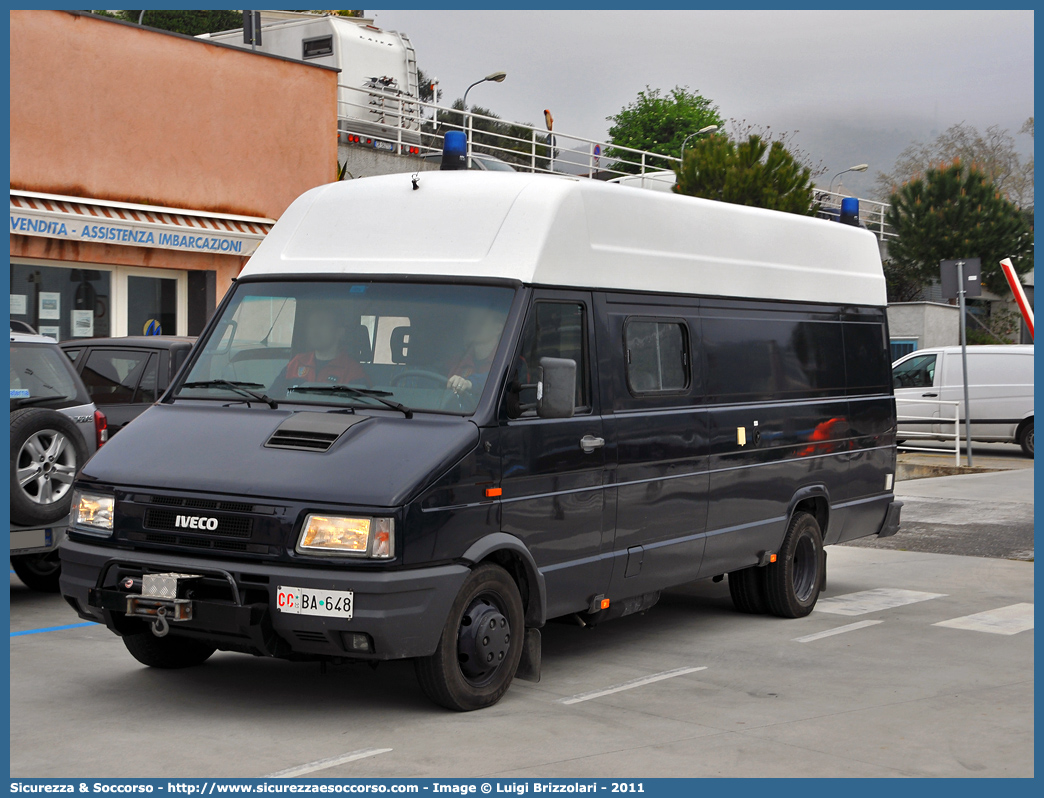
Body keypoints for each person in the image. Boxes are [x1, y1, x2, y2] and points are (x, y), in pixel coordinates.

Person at [285, 306, 369, 386]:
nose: (314, 330)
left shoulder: (353, 371)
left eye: (322, 324)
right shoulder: (297, 363)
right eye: (311, 325)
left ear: (339, 332)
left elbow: (362, 400)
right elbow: (274, 397)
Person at [445, 306, 505, 397]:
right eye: (470, 321)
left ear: (498, 329)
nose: (472, 326)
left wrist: (469, 383)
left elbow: (500, 379)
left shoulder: (509, 361)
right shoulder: (457, 361)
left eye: (480, 321)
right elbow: (435, 375)